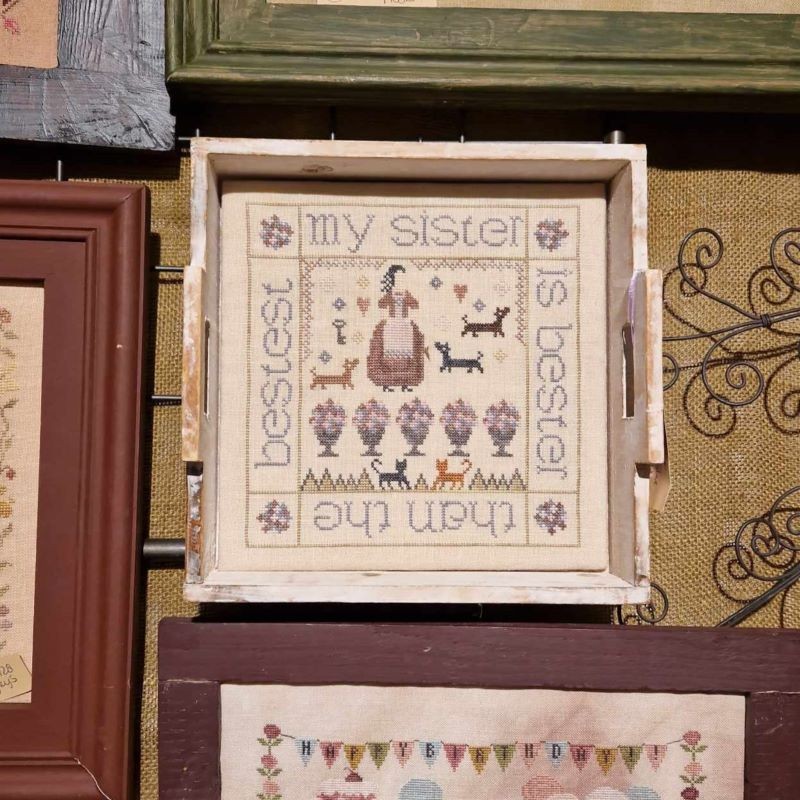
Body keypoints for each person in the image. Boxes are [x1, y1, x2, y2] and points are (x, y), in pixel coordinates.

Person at [367, 264, 427, 392]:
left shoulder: (406, 294)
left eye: (402, 277)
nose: (400, 280)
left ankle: (404, 382)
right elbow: (381, 303)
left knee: (408, 340)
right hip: (392, 322)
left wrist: (408, 299)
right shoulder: (391, 294)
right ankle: (387, 381)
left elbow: (415, 304)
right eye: (397, 277)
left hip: (404, 323)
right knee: (389, 340)